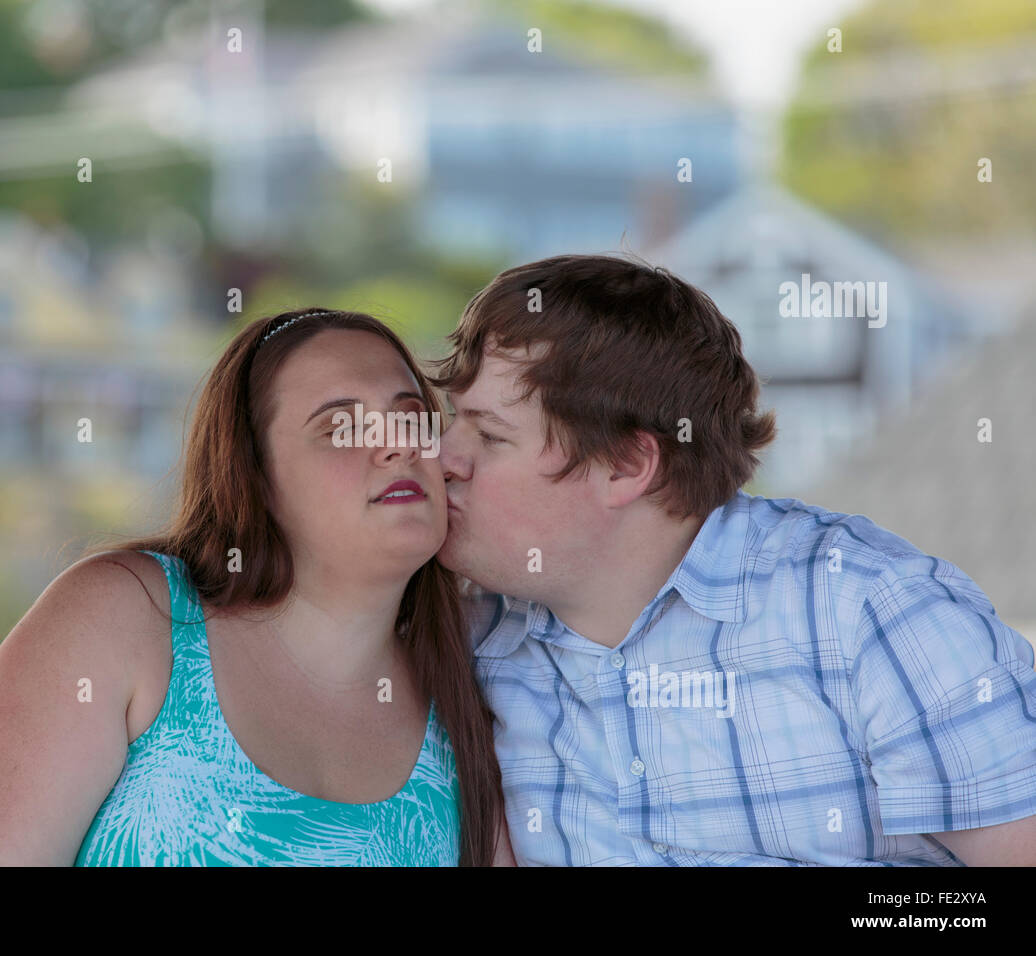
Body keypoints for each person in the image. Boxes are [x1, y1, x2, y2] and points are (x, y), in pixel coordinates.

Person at [431, 253, 1036, 866]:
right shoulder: (459, 637)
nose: (440, 457)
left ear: (626, 465)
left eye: (489, 434)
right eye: (454, 419)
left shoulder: (877, 615)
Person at [0, 308, 513, 866]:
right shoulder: (127, 616)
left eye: (411, 416)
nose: (399, 443)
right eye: (341, 426)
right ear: (255, 478)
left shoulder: (473, 689)